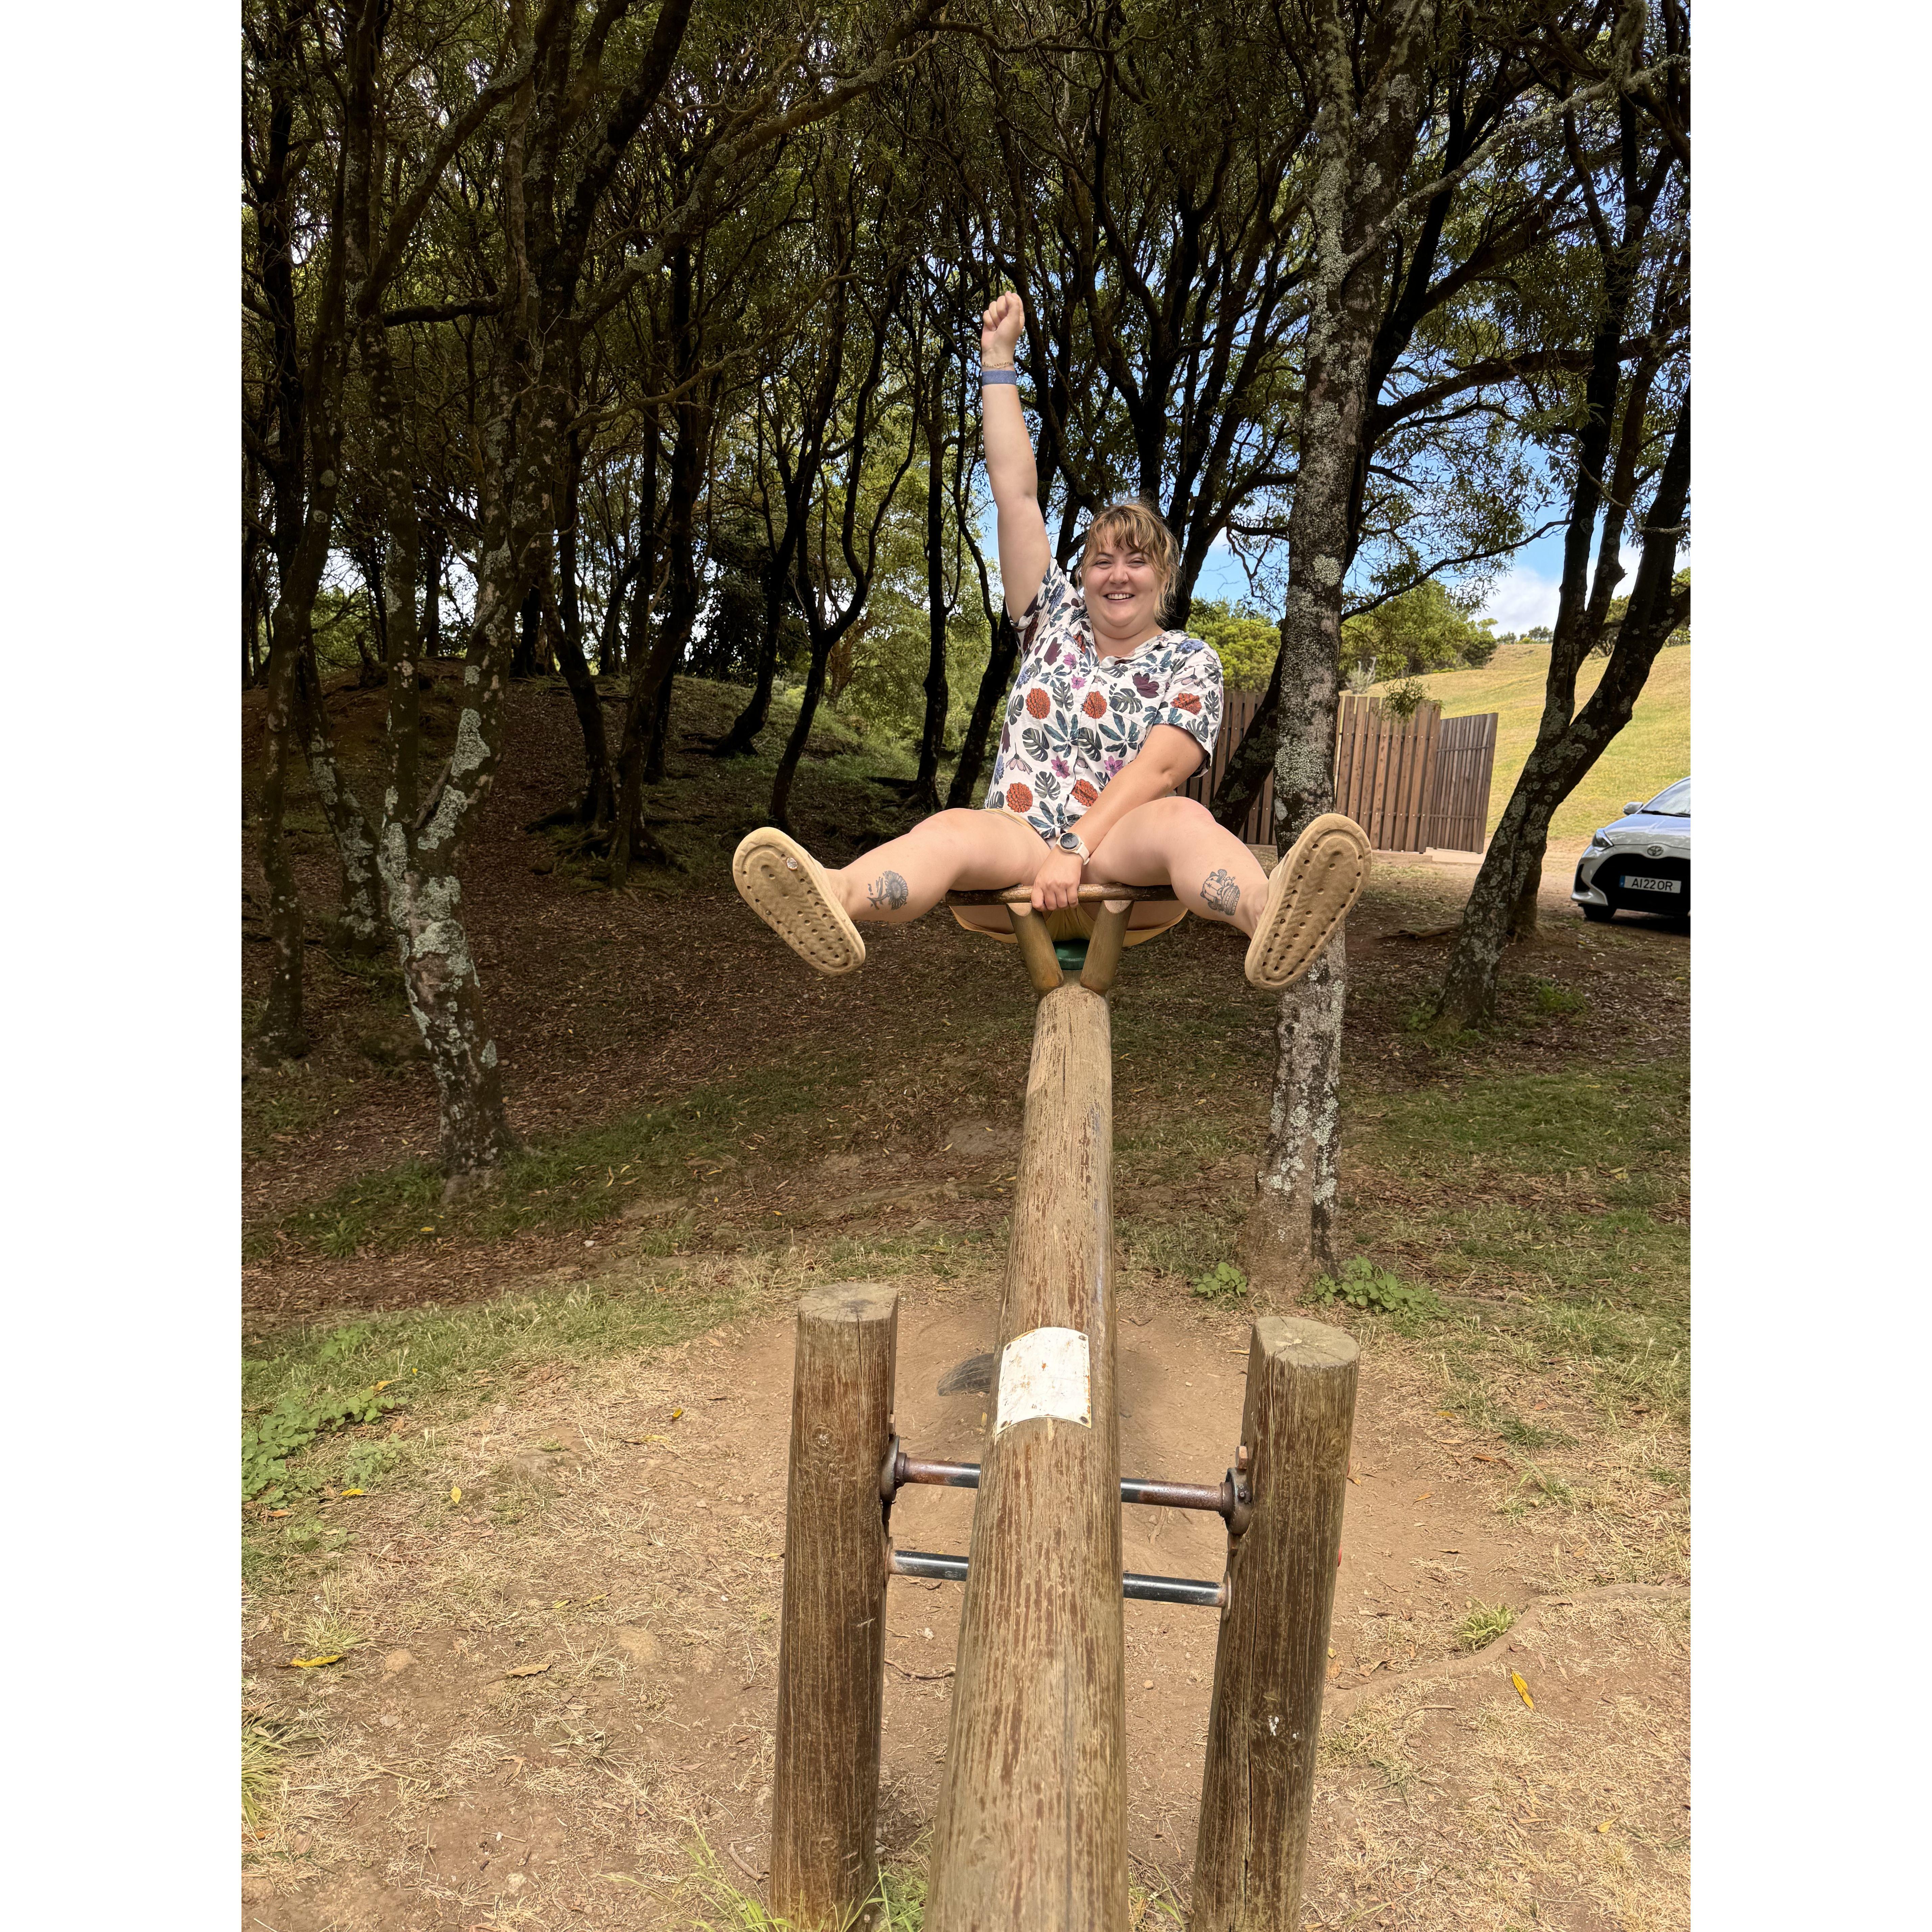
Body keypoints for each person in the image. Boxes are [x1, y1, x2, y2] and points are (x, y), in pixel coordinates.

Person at [731, 290, 1370, 986]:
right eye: (1102, 559)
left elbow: (1160, 771)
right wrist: (998, 364)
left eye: (1136, 560)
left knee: (1183, 815)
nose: (1116, 575)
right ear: (1084, 573)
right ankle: (837, 896)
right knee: (946, 830)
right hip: (1018, 839)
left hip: (1121, 857)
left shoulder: (1190, 661)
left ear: (1164, 577)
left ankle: (1267, 909)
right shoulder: (1051, 618)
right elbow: (1017, 495)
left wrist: (1076, 847)